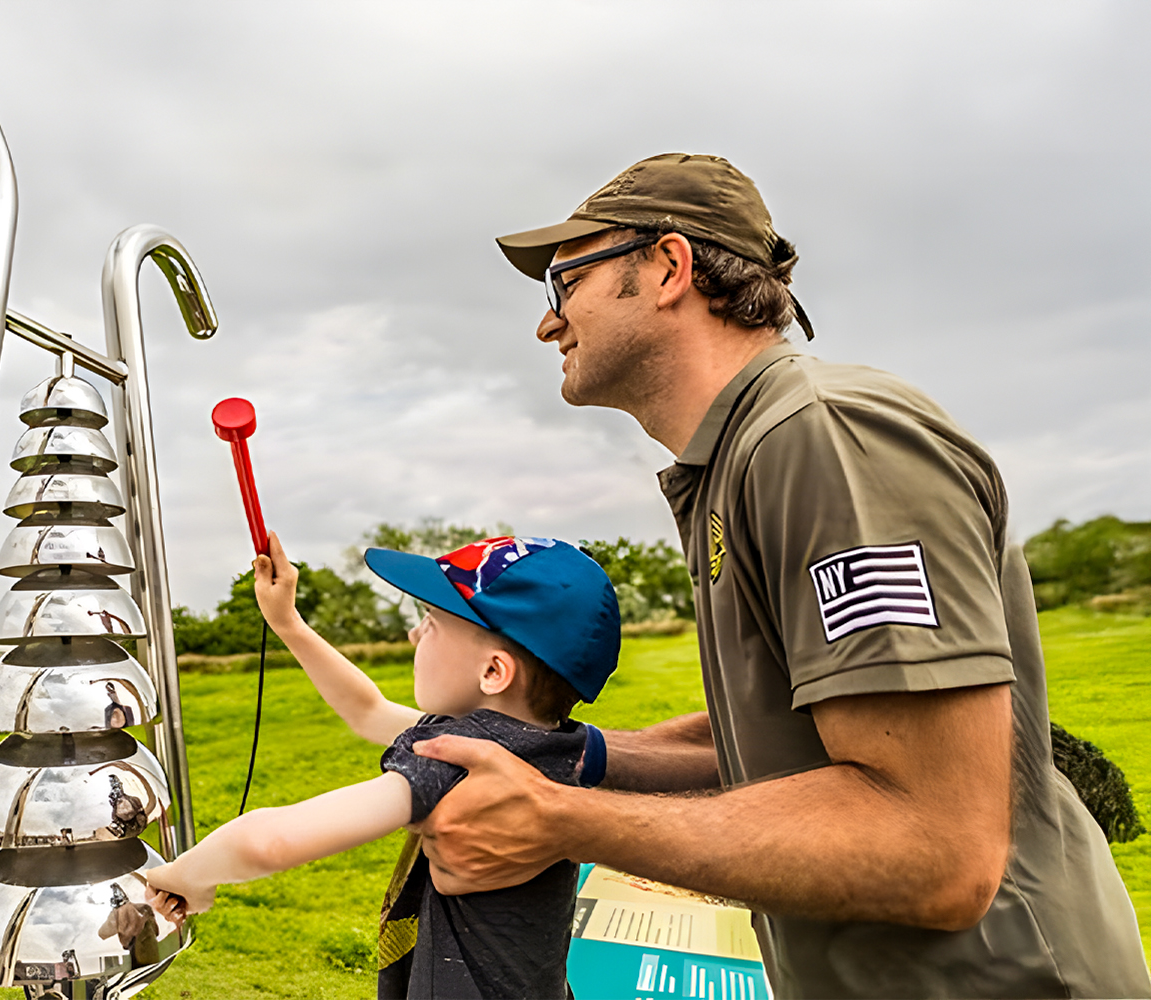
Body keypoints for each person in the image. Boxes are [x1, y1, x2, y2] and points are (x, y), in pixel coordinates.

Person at [409, 152, 1151, 997]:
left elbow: (938, 848)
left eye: (563, 283)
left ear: (669, 267)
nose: (550, 324)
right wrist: (563, 756)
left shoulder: (822, 439)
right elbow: (797, 744)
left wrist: (560, 822)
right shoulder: (740, 459)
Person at [146, 533, 622, 998]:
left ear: (493, 672)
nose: (414, 633)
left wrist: (183, 878)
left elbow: (268, 842)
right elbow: (367, 710)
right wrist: (288, 623)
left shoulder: (456, 762)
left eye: (432, 621)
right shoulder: (549, 748)